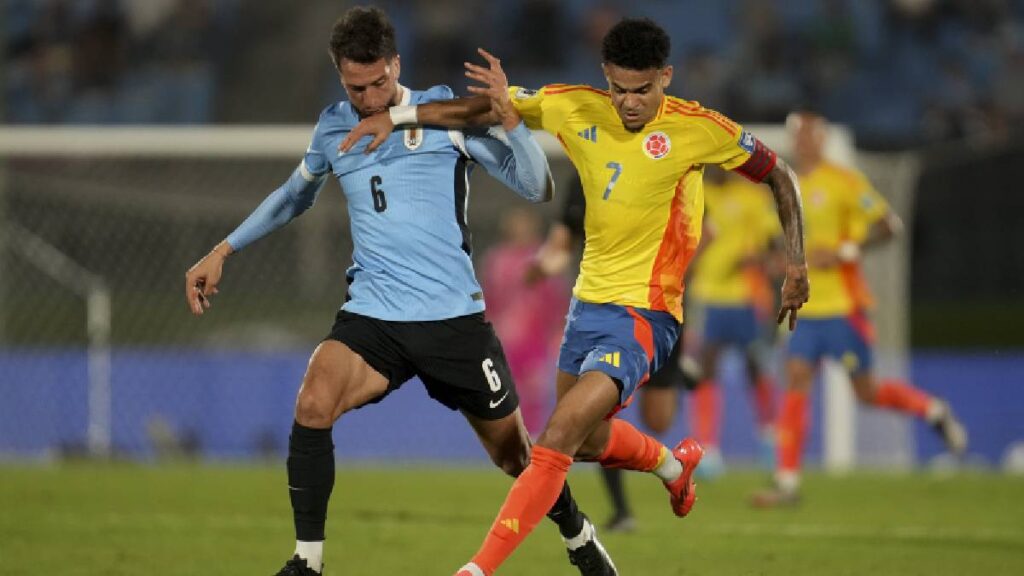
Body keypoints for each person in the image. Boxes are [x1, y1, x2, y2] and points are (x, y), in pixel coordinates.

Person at [342, 18, 810, 575]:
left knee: (556, 437)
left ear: (666, 77)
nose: (629, 104)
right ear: (604, 78)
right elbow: (484, 111)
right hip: (586, 307)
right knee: (584, 443)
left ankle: (477, 569)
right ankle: (670, 468)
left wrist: (796, 261)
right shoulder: (574, 106)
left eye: (642, 91)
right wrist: (395, 115)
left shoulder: (699, 128)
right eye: (618, 89)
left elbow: (780, 174)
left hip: (646, 313)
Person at [183, 7, 616, 576]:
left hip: (453, 322)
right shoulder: (334, 127)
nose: (367, 97)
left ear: (397, 64)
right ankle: (306, 562)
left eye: (378, 83)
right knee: (314, 402)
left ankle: (577, 532)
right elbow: (294, 194)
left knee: (515, 456)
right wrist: (223, 249)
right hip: (375, 317)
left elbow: (537, 185)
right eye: (354, 86)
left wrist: (511, 121)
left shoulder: (439, 113)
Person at [751, 112, 968, 508]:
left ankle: (933, 409)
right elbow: (771, 250)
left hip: (843, 307)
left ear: (822, 139)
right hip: (805, 309)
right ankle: (787, 482)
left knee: (865, 392)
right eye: (798, 135)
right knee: (795, 380)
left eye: (810, 134)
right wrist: (776, 265)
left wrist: (845, 250)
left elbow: (890, 225)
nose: (804, 142)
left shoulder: (844, 181)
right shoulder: (783, 186)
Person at [687, 167, 784, 478]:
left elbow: (773, 245)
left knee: (755, 367)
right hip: (708, 295)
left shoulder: (752, 197)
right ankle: (709, 449)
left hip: (747, 296)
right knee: (706, 368)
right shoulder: (694, 194)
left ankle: (770, 438)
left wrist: (761, 262)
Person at [481, 208, 570, 435]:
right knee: (504, 395)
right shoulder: (496, 260)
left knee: (532, 395)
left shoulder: (544, 260)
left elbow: (557, 302)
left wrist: (558, 332)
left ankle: (531, 445)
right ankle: (511, 443)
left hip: (535, 340)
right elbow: (488, 301)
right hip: (503, 340)